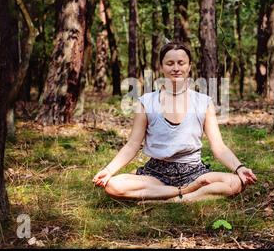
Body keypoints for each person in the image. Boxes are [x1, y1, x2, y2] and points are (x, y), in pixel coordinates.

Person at [92, 41, 257, 202]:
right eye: (170, 63)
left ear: (189, 66)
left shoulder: (203, 102)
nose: (176, 68)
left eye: (181, 63)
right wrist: (108, 171)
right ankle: (184, 192)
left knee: (235, 182)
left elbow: (219, 147)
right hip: (155, 174)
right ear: (161, 67)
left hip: (194, 171)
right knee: (113, 186)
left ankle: (174, 200)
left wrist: (240, 168)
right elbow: (132, 145)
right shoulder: (146, 102)